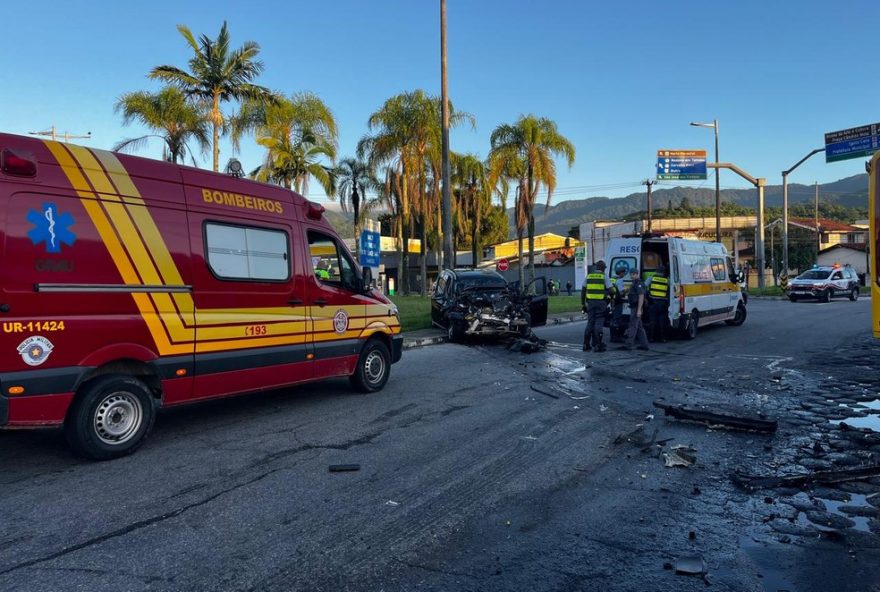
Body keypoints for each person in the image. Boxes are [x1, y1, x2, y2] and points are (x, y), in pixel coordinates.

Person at [581, 260, 612, 352]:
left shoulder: (589, 276)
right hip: (601, 303)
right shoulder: (604, 276)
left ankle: (586, 344)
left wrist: (583, 304)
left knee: (590, 322)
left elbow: (583, 290)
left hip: (590, 303)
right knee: (599, 323)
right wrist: (610, 297)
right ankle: (598, 345)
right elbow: (611, 290)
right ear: (603, 268)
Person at [619, 268, 649, 351]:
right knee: (639, 327)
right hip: (634, 307)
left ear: (635, 274)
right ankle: (644, 345)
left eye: (632, 274)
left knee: (633, 325)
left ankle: (628, 344)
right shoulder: (634, 283)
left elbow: (641, 296)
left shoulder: (639, 283)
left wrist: (639, 310)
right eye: (631, 274)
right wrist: (626, 291)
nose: (631, 276)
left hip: (636, 307)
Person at [647, 265, 670, 342]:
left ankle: (651, 338)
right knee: (662, 321)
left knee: (652, 320)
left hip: (653, 303)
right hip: (662, 303)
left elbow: (644, 286)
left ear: (656, 271)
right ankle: (662, 338)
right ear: (663, 272)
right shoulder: (667, 280)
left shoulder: (651, 278)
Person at [609, 268, 627, 343]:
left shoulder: (612, 279)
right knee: (617, 319)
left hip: (612, 301)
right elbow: (621, 292)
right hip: (618, 302)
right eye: (624, 273)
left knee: (613, 319)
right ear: (621, 273)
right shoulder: (619, 280)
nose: (624, 274)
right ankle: (616, 337)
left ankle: (613, 336)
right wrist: (627, 290)